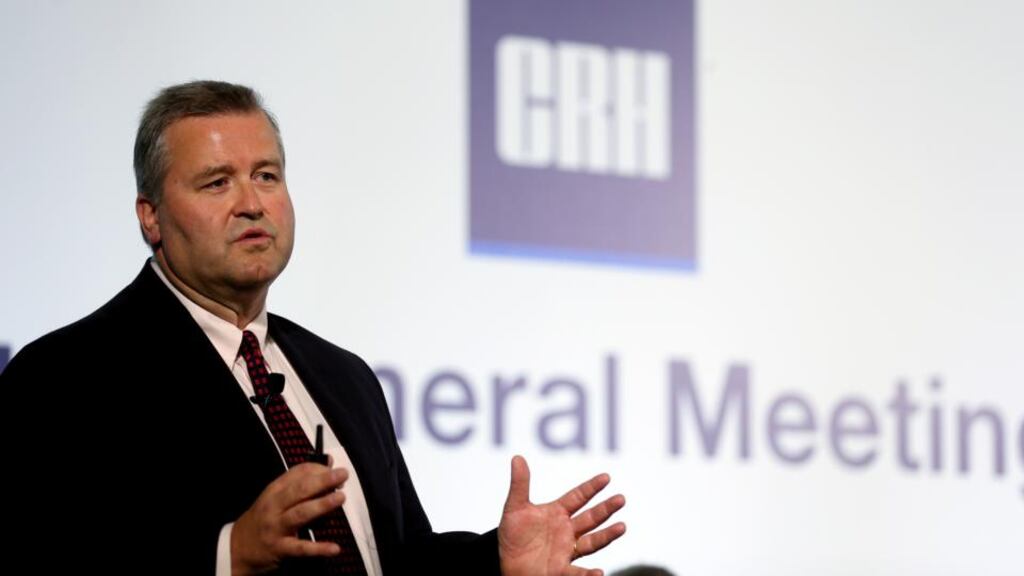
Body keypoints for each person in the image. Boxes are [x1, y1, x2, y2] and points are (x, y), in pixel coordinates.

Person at [0, 80, 625, 575]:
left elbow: (397, 561)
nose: (252, 202)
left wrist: (495, 563)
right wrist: (228, 556)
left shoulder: (341, 375)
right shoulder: (64, 376)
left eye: (267, 176)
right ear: (151, 217)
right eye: (217, 182)